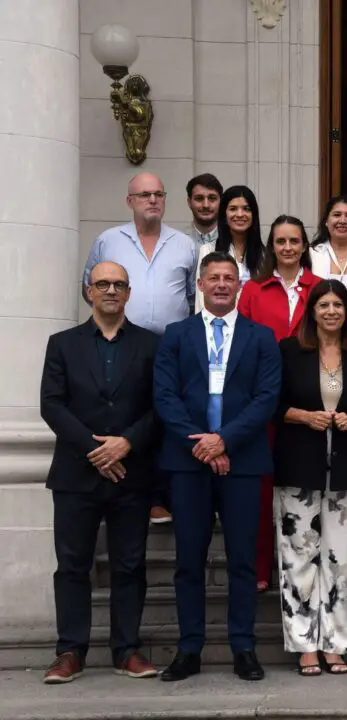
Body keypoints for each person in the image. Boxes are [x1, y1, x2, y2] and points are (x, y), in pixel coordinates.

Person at [153, 252, 282, 682]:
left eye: (229, 278)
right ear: (201, 285)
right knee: (189, 560)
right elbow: (165, 396)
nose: (222, 284)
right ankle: (189, 649)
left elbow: (266, 398)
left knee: (243, 560)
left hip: (242, 462)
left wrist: (224, 439)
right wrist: (203, 444)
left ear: (239, 286)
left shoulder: (262, 337)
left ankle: (243, 646)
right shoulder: (176, 335)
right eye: (214, 278)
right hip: (188, 462)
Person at [40, 262, 161, 684]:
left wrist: (126, 443)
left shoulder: (151, 345)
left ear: (128, 293)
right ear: (88, 291)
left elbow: (161, 405)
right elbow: (51, 404)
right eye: (103, 284)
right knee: (72, 566)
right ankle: (70, 651)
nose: (111, 290)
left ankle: (126, 650)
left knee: (130, 565)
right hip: (76, 475)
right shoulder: (62, 344)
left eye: (119, 284)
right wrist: (95, 450)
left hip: (132, 473)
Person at [82, 172, 198, 524]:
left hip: (171, 346)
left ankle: (160, 497)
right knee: (128, 411)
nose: (152, 200)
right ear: (129, 200)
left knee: (164, 415)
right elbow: (90, 286)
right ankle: (123, 486)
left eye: (158, 194)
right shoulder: (108, 241)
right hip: (122, 342)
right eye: (145, 194)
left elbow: (192, 296)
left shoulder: (184, 244)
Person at [275, 279, 347, 676]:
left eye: (338, 305)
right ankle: (304, 646)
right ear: (311, 311)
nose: (331, 312)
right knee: (298, 558)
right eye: (323, 305)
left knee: (340, 560)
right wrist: (301, 415)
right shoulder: (288, 350)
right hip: (299, 466)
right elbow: (270, 402)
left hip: (346, 469)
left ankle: (334, 644)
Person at [237, 215, 322, 592]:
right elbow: (241, 342)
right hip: (261, 400)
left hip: (309, 399)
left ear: (304, 246)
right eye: (281, 241)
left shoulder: (319, 287)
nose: (288, 247)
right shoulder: (253, 290)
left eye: (294, 241)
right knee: (260, 490)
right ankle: (259, 569)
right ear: (271, 246)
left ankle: (304, 572)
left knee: (303, 490)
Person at [196, 185, 264, 312]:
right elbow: (201, 301)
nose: (240, 214)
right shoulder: (208, 251)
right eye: (233, 209)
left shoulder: (265, 256)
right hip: (218, 322)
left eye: (246, 209)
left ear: (253, 215)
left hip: (256, 323)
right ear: (224, 215)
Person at [185, 173, 222, 245]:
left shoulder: (234, 239)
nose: (206, 205)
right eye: (199, 198)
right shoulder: (176, 240)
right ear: (189, 202)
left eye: (212, 198)